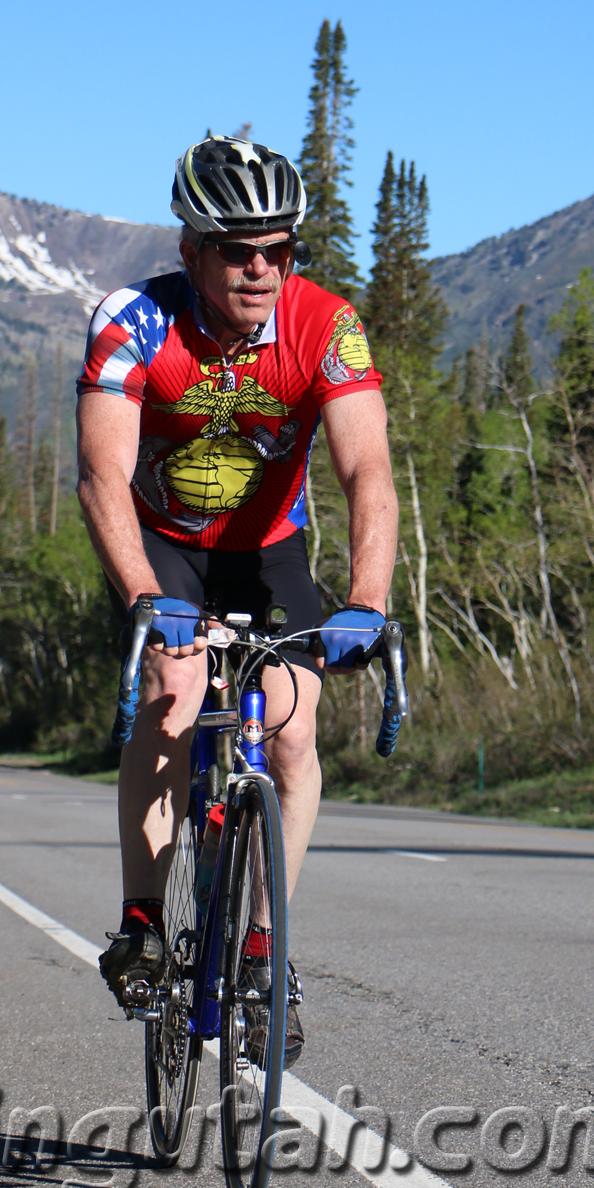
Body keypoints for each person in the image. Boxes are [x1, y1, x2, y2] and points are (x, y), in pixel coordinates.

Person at [77, 136, 398, 1067]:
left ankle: (265, 952)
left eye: (278, 250)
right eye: (236, 250)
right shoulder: (134, 319)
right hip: (165, 550)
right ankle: (144, 917)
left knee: (294, 732)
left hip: (269, 551)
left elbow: (366, 469)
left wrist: (367, 599)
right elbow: (102, 474)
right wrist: (142, 592)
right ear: (191, 251)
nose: (260, 269)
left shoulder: (327, 325)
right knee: (175, 701)